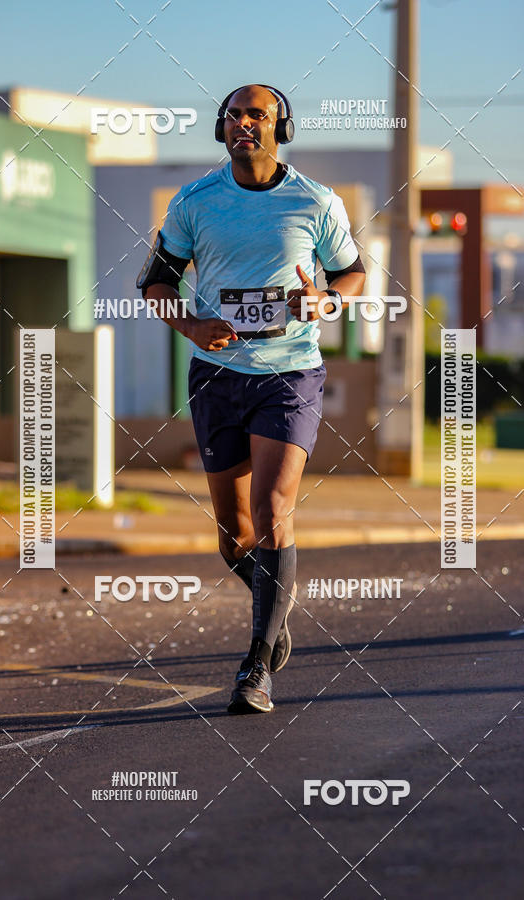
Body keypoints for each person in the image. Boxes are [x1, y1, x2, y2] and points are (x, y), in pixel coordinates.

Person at [138, 83, 366, 714]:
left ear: (280, 127)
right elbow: (156, 281)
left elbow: (352, 270)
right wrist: (190, 325)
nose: (244, 123)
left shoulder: (315, 201)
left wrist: (326, 299)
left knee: (272, 510)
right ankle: (276, 608)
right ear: (221, 129)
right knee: (234, 536)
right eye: (233, 115)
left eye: (257, 115)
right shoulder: (195, 202)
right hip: (216, 374)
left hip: (289, 373)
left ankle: (256, 666)